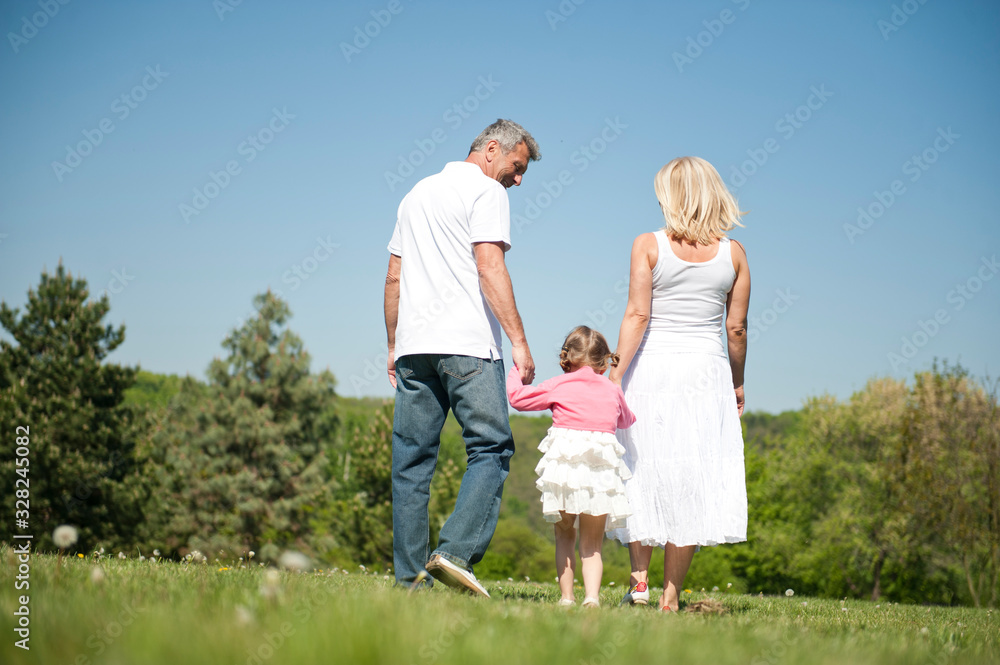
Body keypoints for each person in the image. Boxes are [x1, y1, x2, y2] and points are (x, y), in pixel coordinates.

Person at [384, 119, 541, 598]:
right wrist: (518, 340)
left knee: (411, 463)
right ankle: (453, 555)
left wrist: (393, 345)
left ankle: (410, 581)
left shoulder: (416, 194)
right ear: (492, 149)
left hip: (415, 348)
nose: (517, 180)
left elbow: (394, 276)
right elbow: (489, 264)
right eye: (516, 167)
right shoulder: (487, 192)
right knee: (490, 447)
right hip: (467, 345)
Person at [607, 156, 750, 611]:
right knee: (693, 473)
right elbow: (737, 329)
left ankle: (640, 583)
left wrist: (614, 373)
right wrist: (738, 382)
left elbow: (637, 314)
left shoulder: (647, 245)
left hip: (651, 369)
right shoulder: (735, 254)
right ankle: (671, 597)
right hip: (707, 375)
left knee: (643, 464)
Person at [507, 326, 636, 608]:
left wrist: (517, 370)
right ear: (604, 361)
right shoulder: (612, 390)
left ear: (567, 357)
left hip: (565, 467)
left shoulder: (560, 385)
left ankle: (567, 598)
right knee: (593, 544)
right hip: (599, 472)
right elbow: (627, 420)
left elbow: (518, 399)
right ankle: (592, 598)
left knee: (564, 533)